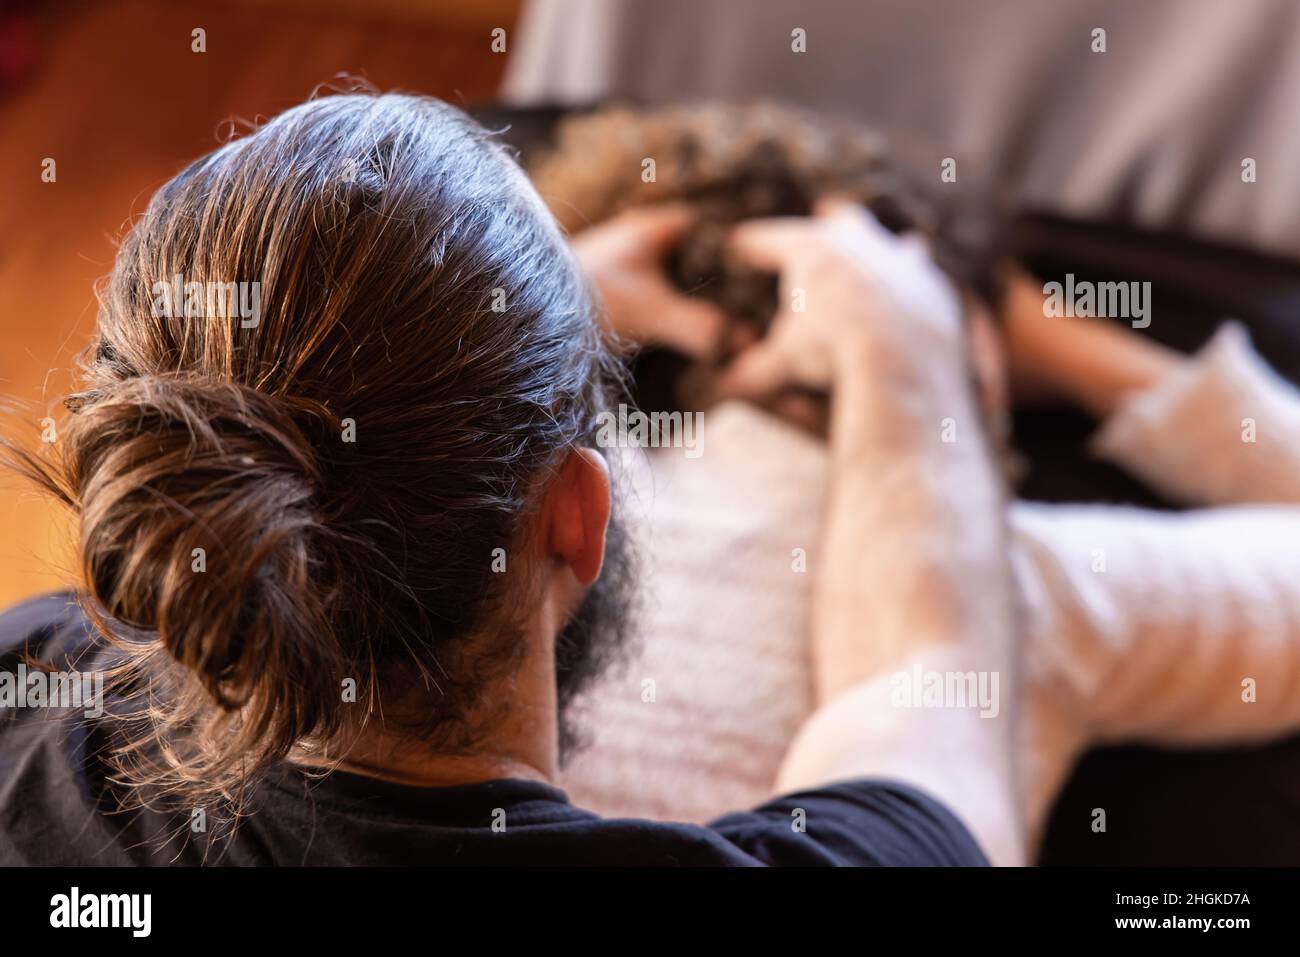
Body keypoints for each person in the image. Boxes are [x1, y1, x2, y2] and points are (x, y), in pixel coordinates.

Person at [0, 91, 1020, 866]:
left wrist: (505, 315)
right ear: (578, 514)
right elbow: (927, 693)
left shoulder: (28, 696)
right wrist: (903, 354)